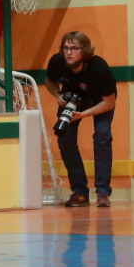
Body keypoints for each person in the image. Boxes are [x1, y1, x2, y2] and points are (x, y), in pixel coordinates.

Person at [44, 31, 117, 208]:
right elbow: (49, 81)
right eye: (66, 48)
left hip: (100, 102)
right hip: (73, 100)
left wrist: (83, 114)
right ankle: (80, 192)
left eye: (74, 48)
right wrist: (57, 95)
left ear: (84, 51)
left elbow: (109, 102)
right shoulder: (57, 61)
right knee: (65, 139)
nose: (69, 52)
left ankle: (102, 192)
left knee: (102, 136)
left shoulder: (99, 68)